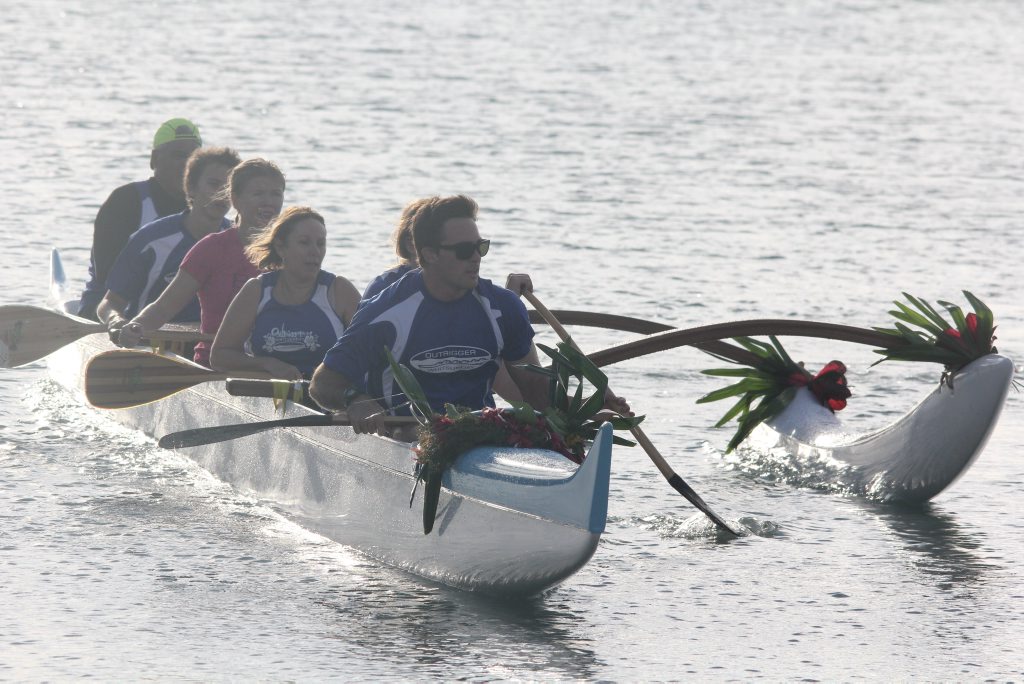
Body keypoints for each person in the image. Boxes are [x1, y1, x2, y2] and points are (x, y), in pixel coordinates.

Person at [309, 194, 630, 435]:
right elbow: (322, 384)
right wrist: (355, 398)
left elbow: (533, 393)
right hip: (404, 435)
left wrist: (586, 412)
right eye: (464, 251)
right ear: (429, 254)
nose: (476, 258)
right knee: (407, 431)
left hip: (477, 434)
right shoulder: (386, 312)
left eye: (481, 247)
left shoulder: (503, 307)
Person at [115, 159, 286, 365]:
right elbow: (164, 307)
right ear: (235, 199)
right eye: (258, 194)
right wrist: (136, 327)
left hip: (275, 365)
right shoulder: (211, 249)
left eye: (276, 194)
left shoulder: (290, 249)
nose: (268, 202)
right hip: (217, 364)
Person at [96, 147, 241, 340]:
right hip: (145, 340)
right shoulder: (152, 239)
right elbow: (109, 303)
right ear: (191, 187)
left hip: (207, 344)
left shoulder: (240, 241)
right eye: (214, 184)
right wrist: (116, 322)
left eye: (229, 188)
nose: (222, 194)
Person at [210, 206, 361, 381]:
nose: (315, 251)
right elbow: (219, 356)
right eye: (304, 242)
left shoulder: (339, 290)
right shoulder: (256, 291)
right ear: (281, 247)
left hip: (326, 396)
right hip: (268, 393)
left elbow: (371, 349)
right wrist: (268, 364)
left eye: (320, 243)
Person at [79, 118, 203, 320]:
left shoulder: (206, 210)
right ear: (154, 159)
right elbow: (107, 274)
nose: (186, 164)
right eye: (178, 155)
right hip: (109, 309)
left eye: (193, 158)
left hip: (172, 313)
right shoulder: (125, 201)